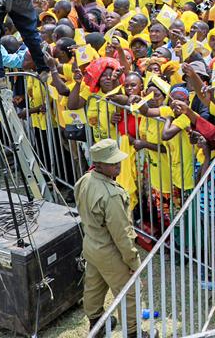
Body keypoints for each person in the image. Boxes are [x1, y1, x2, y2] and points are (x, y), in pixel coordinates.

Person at [75, 137, 140, 333]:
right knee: (128, 291)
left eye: (118, 161)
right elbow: (122, 234)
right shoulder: (111, 194)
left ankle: (96, 322)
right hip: (109, 250)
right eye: (113, 163)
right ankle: (134, 332)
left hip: (91, 243)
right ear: (100, 165)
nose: (118, 166)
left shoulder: (84, 180)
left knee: (94, 285)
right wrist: (133, 263)